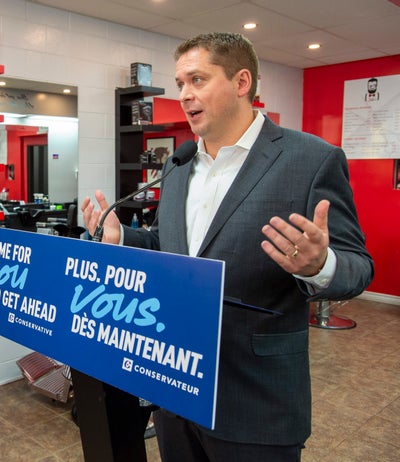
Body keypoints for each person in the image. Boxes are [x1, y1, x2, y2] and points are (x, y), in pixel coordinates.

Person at [82, 32, 373, 461]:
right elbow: (172, 244)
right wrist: (121, 236)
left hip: (256, 400)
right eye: (180, 83)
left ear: (241, 83)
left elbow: (358, 267)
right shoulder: (178, 166)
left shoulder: (311, 159)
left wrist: (319, 265)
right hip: (176, 390)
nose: (184, 95)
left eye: (197, 80)